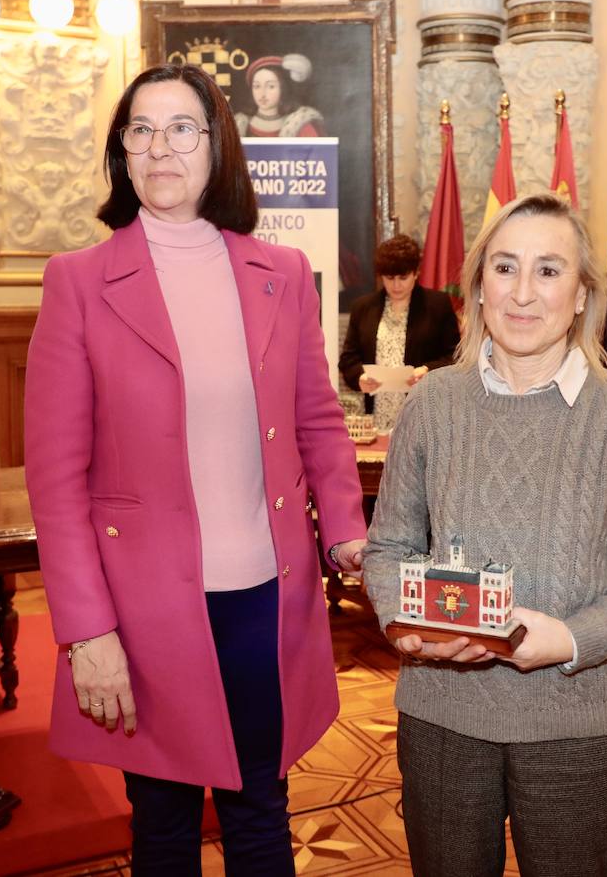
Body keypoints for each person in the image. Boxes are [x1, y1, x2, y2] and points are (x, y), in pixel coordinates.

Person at [23, 63, 367, 876]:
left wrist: (348, 534)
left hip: (262, 593)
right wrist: (85, 632)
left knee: (260, 807)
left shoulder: (280, 274)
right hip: (142, 607)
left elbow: (318, 419)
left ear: (218, 148)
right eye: (140, 129)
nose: (160, 147)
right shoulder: (78, 281)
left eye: (182, 127)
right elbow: (57, 477)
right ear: (121, 153)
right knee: (164, 820)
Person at [363, 193, 607, 876]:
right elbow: (389, 547)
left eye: (548, 271)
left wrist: (571, 640)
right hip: (441, 718)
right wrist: (405, 621)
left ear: (580, 294)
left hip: (577, 724)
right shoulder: (432, 403)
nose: (522, 292)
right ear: (478, 284)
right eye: (504, 267)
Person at [337, 233, 460, 431]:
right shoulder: (363, 308)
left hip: (423, 415)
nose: (396, 285)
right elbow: (348, 360)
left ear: (416, 273)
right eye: (389, 278)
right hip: (377, 417)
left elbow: (455, 356)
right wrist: (360, 378)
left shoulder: (437, 305)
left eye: (403, 278)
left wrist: (427, 371)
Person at [233, 54, 323, 138]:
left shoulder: (301, 124)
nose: (262, 93)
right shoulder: (237, 126)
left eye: (271, 86)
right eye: (257, 86)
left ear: (283, 88)